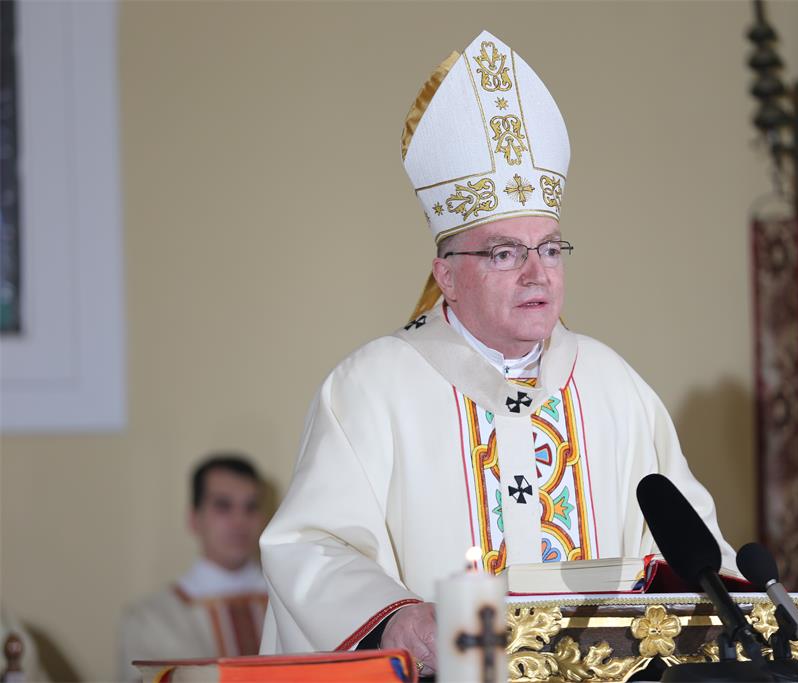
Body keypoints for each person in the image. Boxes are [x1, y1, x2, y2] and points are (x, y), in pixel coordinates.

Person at [259, 30, 737, 676]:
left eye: (550, 248)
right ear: (447, 275)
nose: (538, 273)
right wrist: (397, 617)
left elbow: (697, 558)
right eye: (506, 252)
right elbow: (310, 546)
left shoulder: (614, 387)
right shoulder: (372, 388)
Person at [118, 454, 268, 681]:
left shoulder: (288, 604)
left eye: (251, 507)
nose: (240, 520)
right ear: (193, 518)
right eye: (223, 506)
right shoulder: (149, 620)